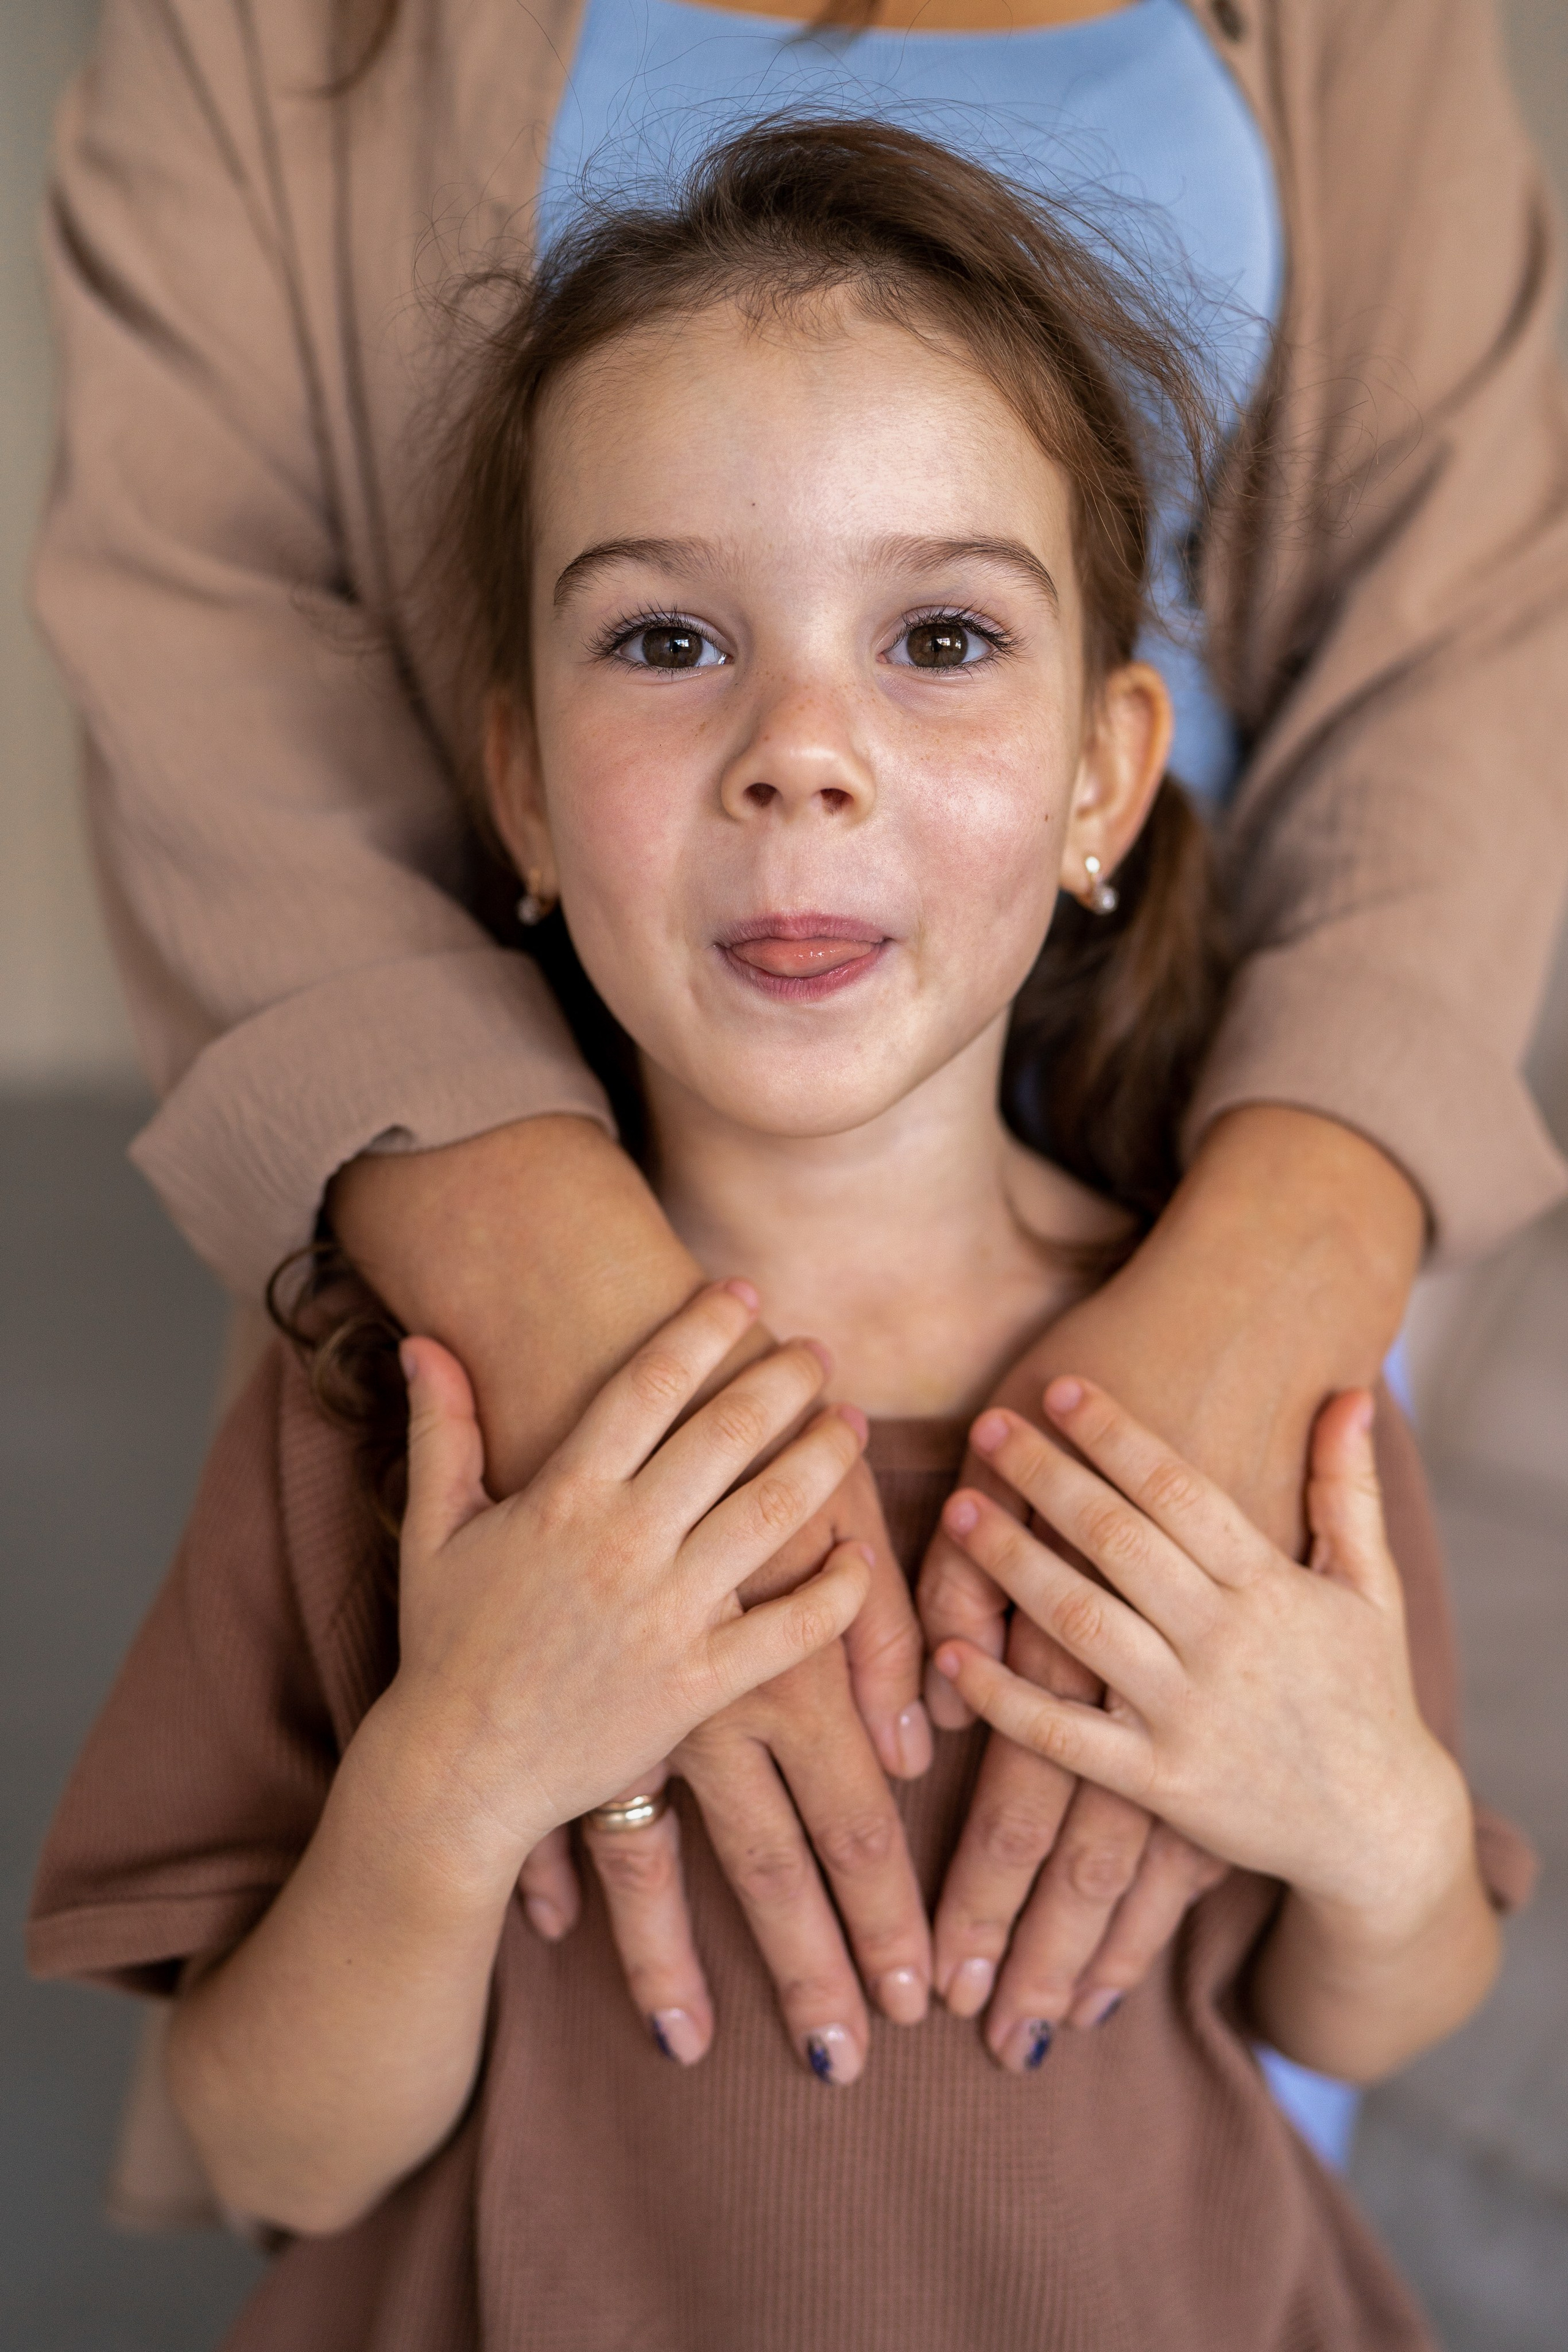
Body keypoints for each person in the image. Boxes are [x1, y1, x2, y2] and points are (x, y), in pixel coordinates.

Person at [31, 126, 1532, 2348]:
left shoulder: (1271, 1405)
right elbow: (264, 2154)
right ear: (524, 789)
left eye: (940, 637)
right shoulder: (388, 1399)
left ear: (1106, 779)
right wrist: (454, 1780)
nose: (801, 754)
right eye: (669, 639)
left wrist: (1381, 1830)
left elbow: (1374, 2008)